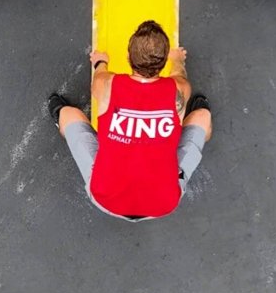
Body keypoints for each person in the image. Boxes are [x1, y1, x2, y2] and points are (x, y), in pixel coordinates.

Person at [48, 20, 212, 221]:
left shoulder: (107, 84)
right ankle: (192, 125)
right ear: (163, 62)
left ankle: (59, 117)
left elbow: (99, 74)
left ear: (128, 58)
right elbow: (179, 75)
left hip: (107, 199)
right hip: (161, 203)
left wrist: (100, 61)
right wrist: (177, 59)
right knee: (203, 117)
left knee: (68, 114)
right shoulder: (179, 89)